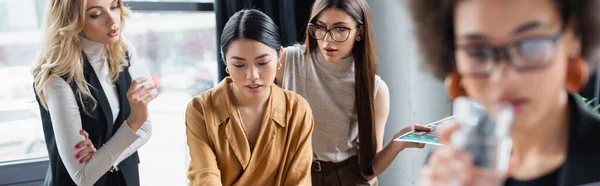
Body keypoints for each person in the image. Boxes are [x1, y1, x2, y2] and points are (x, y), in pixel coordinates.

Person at [407, 0, 600, 185]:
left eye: (531, 45)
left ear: (574, 37)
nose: (503, 78)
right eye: (478, 52)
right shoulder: (454, 171)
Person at [276, 0, 431, 185]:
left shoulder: (374, 89)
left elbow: (368, 170)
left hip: (347, 177)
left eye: (340, 29)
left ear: (360, 32)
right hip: (297, 175)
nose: (327, 39)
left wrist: (398, 142)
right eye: (320, 27)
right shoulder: (287, 62)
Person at [32, 0, 155, 185]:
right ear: (71, 20)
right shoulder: (58, 80)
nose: (112, 20)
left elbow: (146, 129)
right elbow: (83, 177)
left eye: (114, 7)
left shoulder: (125, 50)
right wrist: (133, 123)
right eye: (96, 14)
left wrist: (102, 158)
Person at [185, 9, 314, 186]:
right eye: (239, 65)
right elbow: (205, 176)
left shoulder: (297, 109)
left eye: (262, 63)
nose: (252, 75)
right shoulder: (201, 108)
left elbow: (298, 180)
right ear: (226, 64)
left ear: (279, 57)